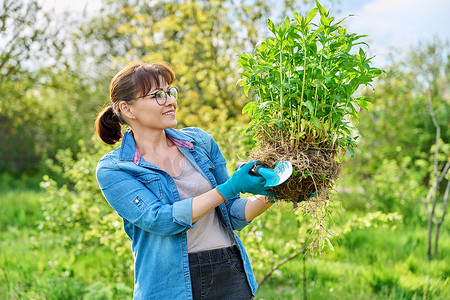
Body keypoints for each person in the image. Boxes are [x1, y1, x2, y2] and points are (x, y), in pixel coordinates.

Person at [95, 61, 274, 299]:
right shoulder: (115, 168)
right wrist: (229, 188)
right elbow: (160, 219)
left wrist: (274, 193)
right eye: (157, 95)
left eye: (170, 92)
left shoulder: (199, 142)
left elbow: (231, 214)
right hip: (169, 284)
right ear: (128, 109)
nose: (170, 101)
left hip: (229, 270)